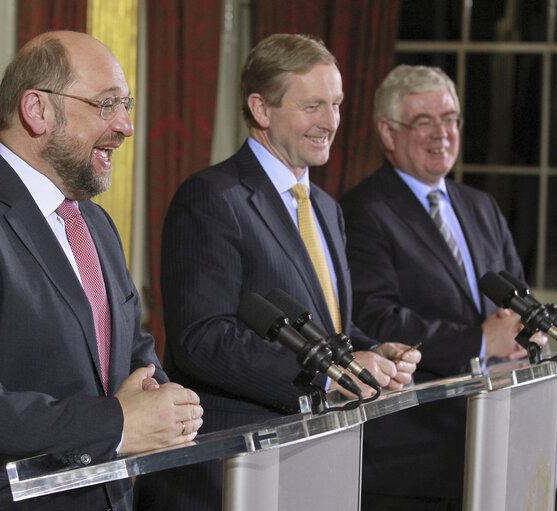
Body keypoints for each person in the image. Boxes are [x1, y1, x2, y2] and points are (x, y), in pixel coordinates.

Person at [0, 31, 203, 511]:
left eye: (126, 104)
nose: (127, 126)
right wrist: (115, 423)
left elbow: (129, 350)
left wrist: (162, 398)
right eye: (107, 104)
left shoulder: (94, 221)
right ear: (38, 110)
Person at [133, 33, 420, 511]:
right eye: (313, 106)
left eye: (337, 104)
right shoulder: (211, 198)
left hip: (315, 460)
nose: (331, 122)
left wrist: (369, 348)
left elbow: (327, 329)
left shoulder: (327, 208)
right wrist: (331, 374)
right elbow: (203, 339)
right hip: (232, 470)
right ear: (262, 110)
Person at [339, 64, 547, 510]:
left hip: (496, 437)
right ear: (388, 133)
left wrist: (529, 328)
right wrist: (479, 340)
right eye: (424, 121)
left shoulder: (481, 206)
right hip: (414, 457)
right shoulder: (362, 212)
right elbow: (375, 320)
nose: (443, 133)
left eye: (450, 119)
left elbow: (516, 299)